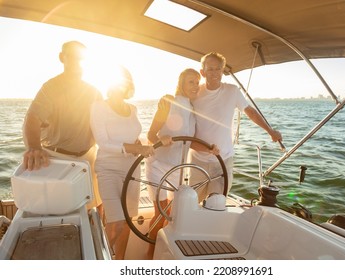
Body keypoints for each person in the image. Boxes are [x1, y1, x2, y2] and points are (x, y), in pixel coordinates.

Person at [189, 52, 283, 201]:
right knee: (191, 203)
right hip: (197, 160)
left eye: (218, 69)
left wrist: (270, 131)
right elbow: (179, 103)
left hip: (223, 159)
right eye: (210, 69)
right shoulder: (194, 93)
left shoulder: (232, 91)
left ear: (222, 71)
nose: (214, 73)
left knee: (217, 204)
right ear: (203, 72)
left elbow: (250, 112)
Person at [22, 40, 104, 211]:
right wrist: (34, 147)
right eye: (73, 56)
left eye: (81, 58)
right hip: (57, 160)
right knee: (57, 213)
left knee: (94, 209)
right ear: (62, 57)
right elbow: (33, 118)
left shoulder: (94, 91)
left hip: (88, 159)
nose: (78, 61)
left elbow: (104, 124)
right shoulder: (51, 87)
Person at [90, 66, 154, 260]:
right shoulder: (99, 106)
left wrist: (139, 143)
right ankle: (100, 262)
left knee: (127, 221)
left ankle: (119, 263)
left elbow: (132, 135)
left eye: (126, 80)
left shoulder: (132, 108)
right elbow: (103, 142)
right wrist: (134, 148)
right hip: (108, 170)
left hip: (132, 170)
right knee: (116, 222)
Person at [145, 68, 201, 257]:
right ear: (181, 83)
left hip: (179, 170)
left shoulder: (194, 109)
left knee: (172, 215)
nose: (195, 85)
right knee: (160, 213)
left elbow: (191, 141)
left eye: (197, 82)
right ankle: (150, 255)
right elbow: (151, 134)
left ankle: (164, 253)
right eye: (190, 82)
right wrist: (162, 139)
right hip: (159, 165)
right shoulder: (169, 102)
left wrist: (210, 149)